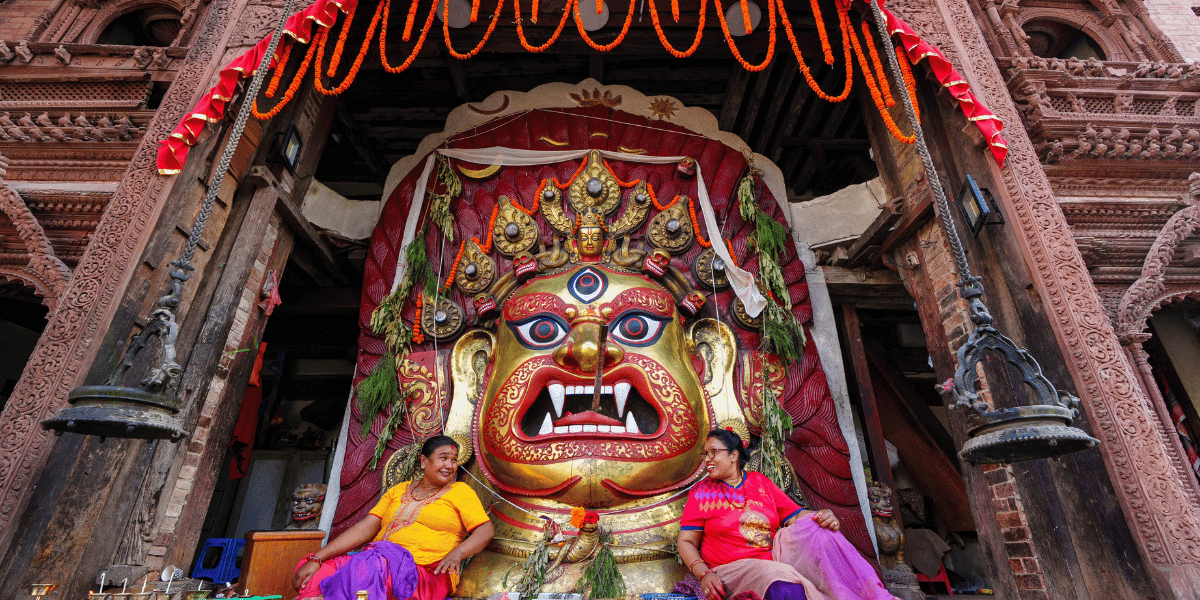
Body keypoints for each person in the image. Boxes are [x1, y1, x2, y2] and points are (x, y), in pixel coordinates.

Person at [677, 429, 896, 600]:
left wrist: (823, 516)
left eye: (713, 452)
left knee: (820, 528)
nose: (707, 459)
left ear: (734, 455)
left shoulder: (759, 482)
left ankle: (867, 594)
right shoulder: (702, 492)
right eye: (706, 454)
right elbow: (686, 541)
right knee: (783, 586)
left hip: (775, 561)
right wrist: (704, 574)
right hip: (730, 571)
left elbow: (796, 516)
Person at [293, 436, 495, 600]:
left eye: (454, 459)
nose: (450, 465)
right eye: (443, 458)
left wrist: (458, 553)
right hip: (375, 563)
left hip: (422, 575)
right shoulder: (399, 490)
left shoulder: (460, 491)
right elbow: (365, 529)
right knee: (315, 571)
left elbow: (485, 530)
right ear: (424, 461)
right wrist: (317, 558)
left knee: (371, 566)